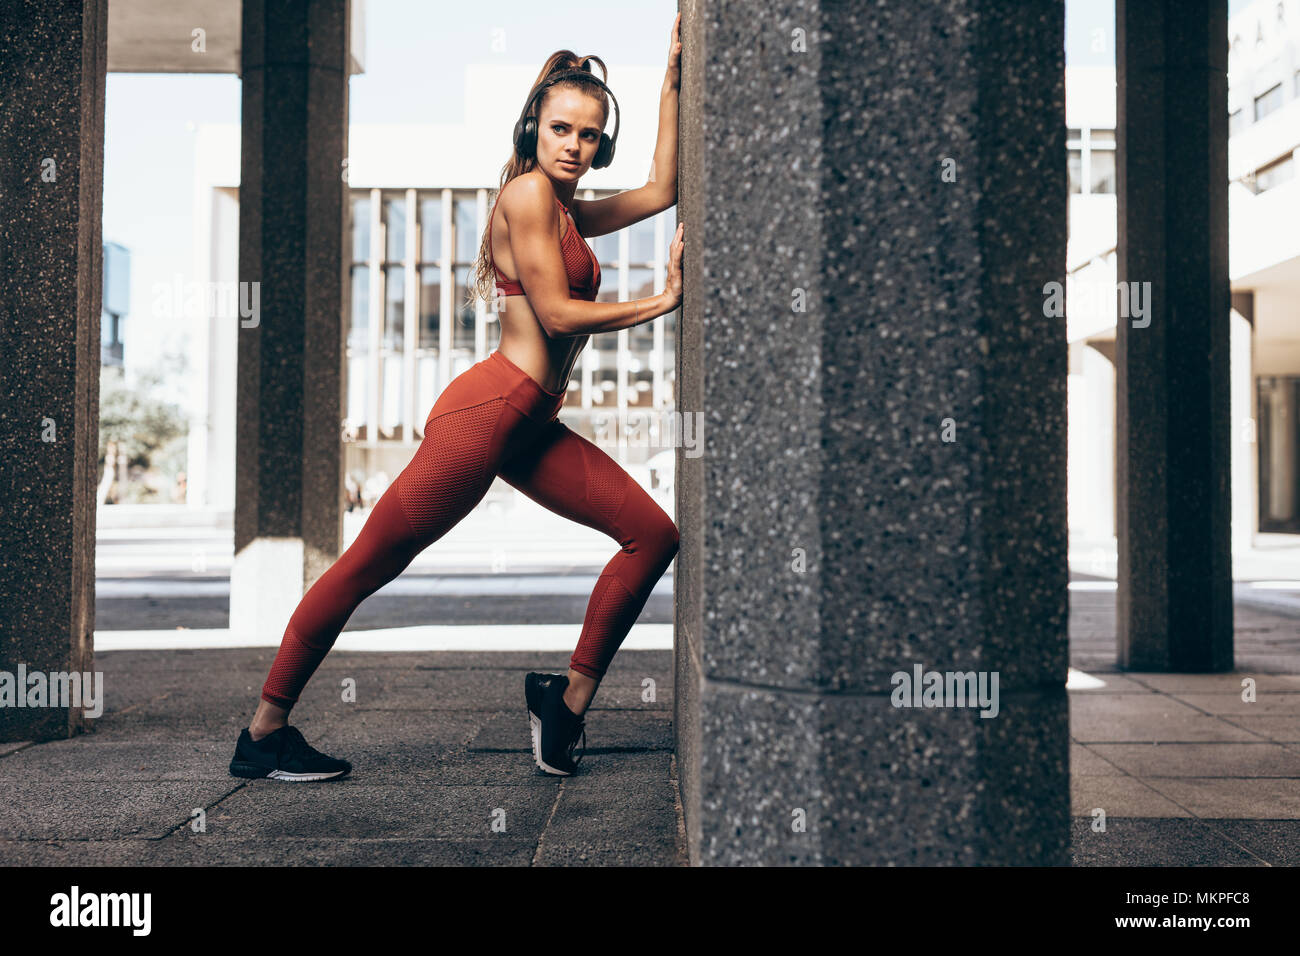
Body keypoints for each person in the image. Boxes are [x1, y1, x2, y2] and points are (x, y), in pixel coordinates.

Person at [229, 14, 684, 781]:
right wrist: (660, 301)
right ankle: (264, 731)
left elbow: (662, 190)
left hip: (530, 424)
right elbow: (560, 314)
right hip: (485, 417)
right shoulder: (532, 196)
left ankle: (563, 706)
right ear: (532, 129)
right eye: (561, 127)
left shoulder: (567, 207)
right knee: (366, 565)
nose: (575, 144)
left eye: (590, 134)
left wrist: (673, 73)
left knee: (652, 535)